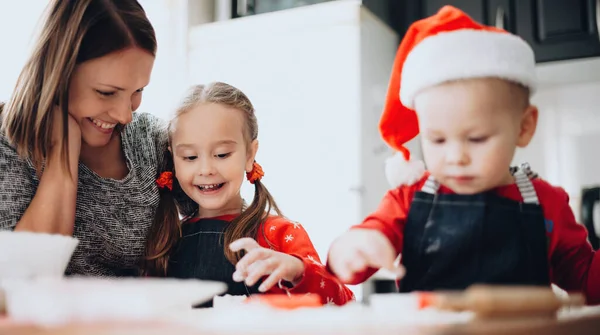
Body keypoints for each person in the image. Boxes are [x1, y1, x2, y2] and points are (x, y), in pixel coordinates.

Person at [326, 6, 600, 304]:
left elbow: (585, 281)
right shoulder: (406, 199)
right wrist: (352, 249)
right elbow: (352, 262)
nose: (456, 157)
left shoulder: (549, 203)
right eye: (437, 139)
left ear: (524, 127)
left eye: (476, 139)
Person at [143, 82, 355, 307]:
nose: (206, 169)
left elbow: (342, 302)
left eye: (222, 154)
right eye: (190, 157)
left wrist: (297, 272)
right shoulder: (168, 240)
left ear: (249, 154)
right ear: (173, 159)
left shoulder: (279, 233)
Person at [0, 0, 166, 276]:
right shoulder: (7, 146)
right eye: (106, 92)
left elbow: (232, 220)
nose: (125, 115)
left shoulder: (149, 139)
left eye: (138, 90)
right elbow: (19, 279)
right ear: (58, 72)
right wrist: (62, 152)